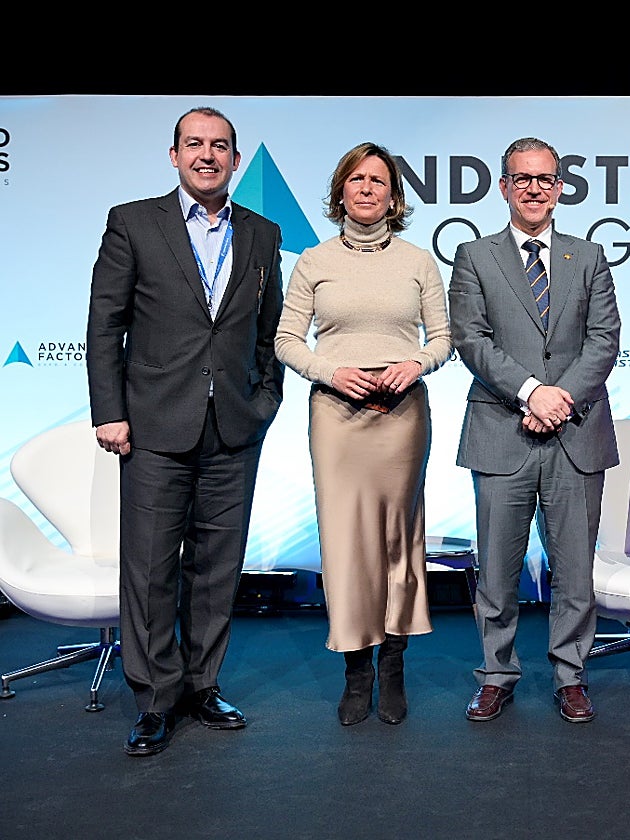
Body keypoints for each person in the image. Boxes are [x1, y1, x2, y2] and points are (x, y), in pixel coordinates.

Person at [86, 106, 285, 757]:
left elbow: (269, 331)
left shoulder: (262, 232)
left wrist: (264, 403)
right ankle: (154, 698)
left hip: (233, 428)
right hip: (152, 427)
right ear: (173, 155)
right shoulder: (133, 223)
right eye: (194, 144)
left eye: (219, 145)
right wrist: (109, 411)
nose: (207, 155)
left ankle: (202, 685)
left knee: (216, 568)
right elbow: (104, 325)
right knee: (149, 569)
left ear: (235, 158)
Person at [274, 142, 452, 726]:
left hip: (401, 414)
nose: (367, 188)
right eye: (356, 179)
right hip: (336, 414)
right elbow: (286, 340)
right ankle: (356, 670)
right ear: (341, 191)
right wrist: (331, 373)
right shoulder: (313, 261)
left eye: (378, 180)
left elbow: (443, 339)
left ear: (394, 195)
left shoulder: (417, 261)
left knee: (399, 537)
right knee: (346, 541)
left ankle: (393, 664)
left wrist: (416, 363)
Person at [448, 137, 621, 724]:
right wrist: (530, 392)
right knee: (497, 572)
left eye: (545, 179)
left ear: (560, 188)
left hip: (576, 435)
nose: (534, 189)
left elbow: (604, 340)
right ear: (503, 187)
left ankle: (571, 676)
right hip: (503, 433)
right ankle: (497, 675)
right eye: (522, 179)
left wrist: (558, 400)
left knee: (574, 572)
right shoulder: (474, 256)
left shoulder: (588, 256)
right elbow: (471, 339)